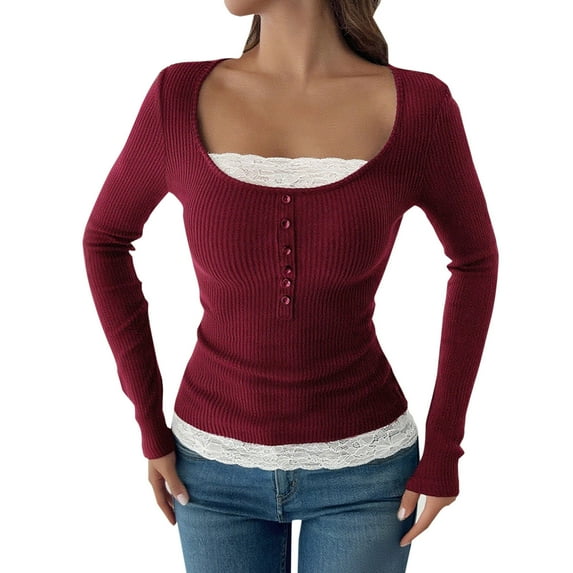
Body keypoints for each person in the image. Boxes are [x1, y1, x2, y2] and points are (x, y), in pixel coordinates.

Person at [82, 1, 499, 571]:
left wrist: (445, 447)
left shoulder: (421, 106)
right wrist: (149, 425)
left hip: (368, 474)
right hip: (208, 473)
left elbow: (475, 262)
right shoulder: (175, 96)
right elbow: (105, 241)